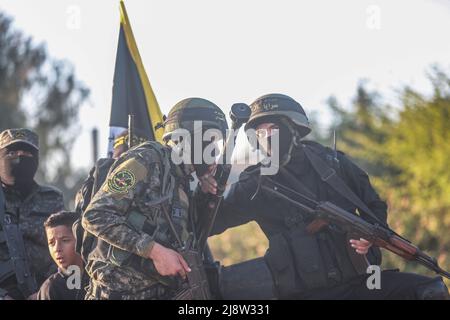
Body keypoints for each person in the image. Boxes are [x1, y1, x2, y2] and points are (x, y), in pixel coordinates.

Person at [201, 93, 449, 300]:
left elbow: (373, 204)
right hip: (305, 293)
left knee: (429, 291)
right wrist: (206, 191)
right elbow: (208, 223)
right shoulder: (255, 184)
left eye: (274, 128)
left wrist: (370, 235)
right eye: (260, 132)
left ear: (294, 128)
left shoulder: (334, 164)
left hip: (361, 284)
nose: (267, 137)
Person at [81, 98, 227, 300]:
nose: (216, 151)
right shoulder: (147, 159)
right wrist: (154, 251)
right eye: (211, 141)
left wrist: (205, 194)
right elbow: (95, 215)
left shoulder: (181, 182)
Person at [0, 128, 65, 300]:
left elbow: (67, 250)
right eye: (12, 152)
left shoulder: (53, 198)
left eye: (27, 153)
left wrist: (47, 291)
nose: (20, 157)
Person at [37, 211, 85, 300]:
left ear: (80, 240)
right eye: (51, 243)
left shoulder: (101, 276)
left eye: (65, 240)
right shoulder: (52, 289)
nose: (57, 249)